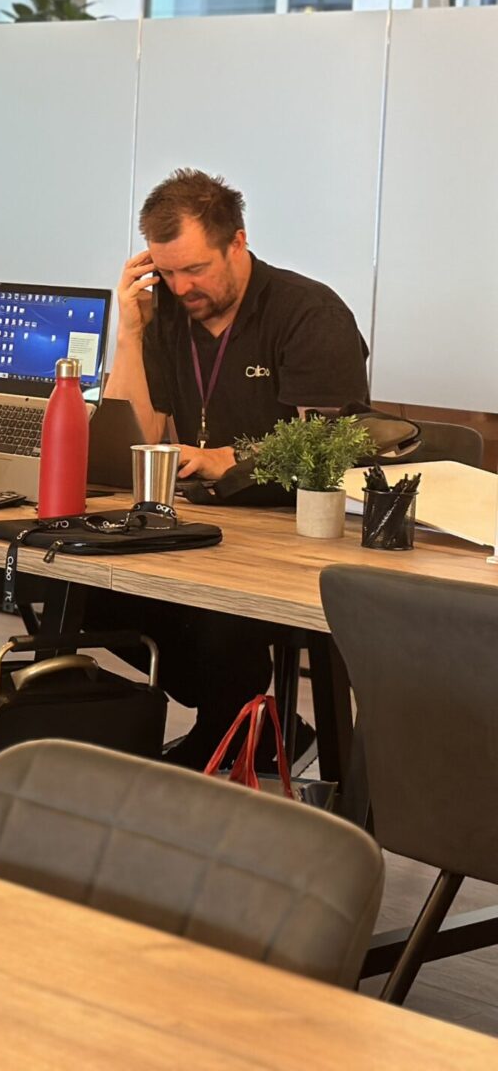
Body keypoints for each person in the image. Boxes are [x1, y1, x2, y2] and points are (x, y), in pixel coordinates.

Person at [98, 167, 370, 765]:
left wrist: (224, 459)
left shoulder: (309, 315)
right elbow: (134, 437)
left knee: (220, 615)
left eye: (195, 269)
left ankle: (231, 726)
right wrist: (129, 333)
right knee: (84, 589)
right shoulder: (165, 314)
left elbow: (328, 446)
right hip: (200, 520)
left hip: (289, 527)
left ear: (238, 242)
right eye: (165, 272)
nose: (181, 286)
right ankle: (249, 720)